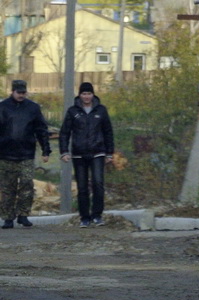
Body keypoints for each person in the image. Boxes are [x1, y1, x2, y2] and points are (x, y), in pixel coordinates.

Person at [59, 81, 115, 228]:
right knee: (82, 187)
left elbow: (108, 132)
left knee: (98, 183)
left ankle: (97, 215)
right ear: (80, 95)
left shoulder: (101, 110)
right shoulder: (73, 111)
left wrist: (109, 153)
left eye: (89, 93)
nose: (86, 96)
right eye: (84, 93)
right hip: (79, 154)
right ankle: (84, 217)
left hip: (98, 152)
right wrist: (64, 151)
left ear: (93, 94)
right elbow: (64, 133)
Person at [0, 79, 52, 228]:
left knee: (27, 186)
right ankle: (8, 218)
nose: (21, 95)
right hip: (5, 155)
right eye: (19, 92)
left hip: (26, 154)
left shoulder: (33, 108)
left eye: (24, 92)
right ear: (12, 91)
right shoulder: (3, 108)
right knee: (7, 188)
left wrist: (46, 150)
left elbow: (41, 130)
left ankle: (23, 215)